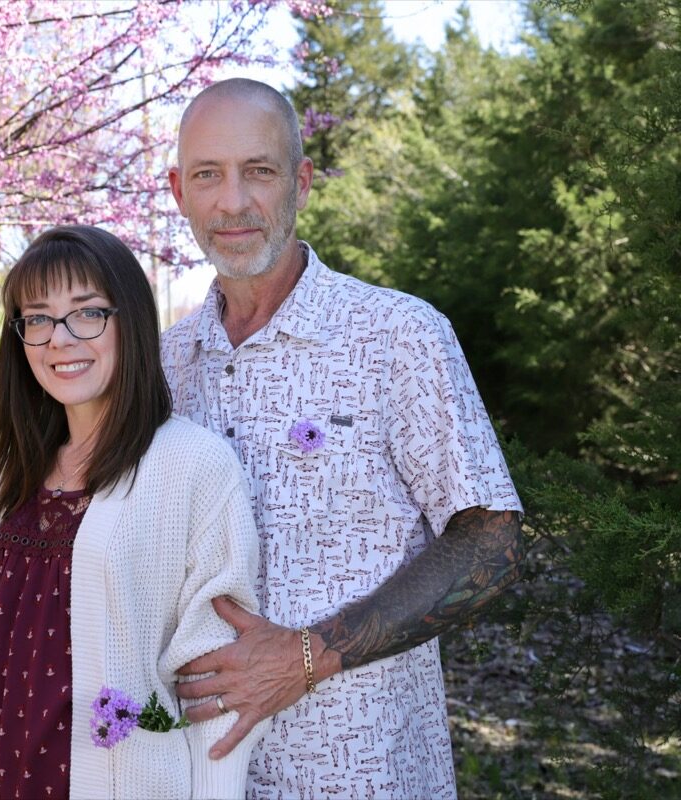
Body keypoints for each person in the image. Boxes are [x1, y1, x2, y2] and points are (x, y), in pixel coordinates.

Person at [159, 78, 526, 799]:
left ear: (300, 181)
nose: (233, 202)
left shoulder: (398, 336)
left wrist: (306, 656)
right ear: (178, 191)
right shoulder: (165, 365)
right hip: (196, 773)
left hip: (365, 775)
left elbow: (491, 540)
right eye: (208, 175)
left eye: (258, 171)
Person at [0, 225, 268, 800]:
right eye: (39, 319)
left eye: (87, 313)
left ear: (130, 321)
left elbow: (215, 680)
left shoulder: (191, 465)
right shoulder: (30, 468)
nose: (60, 339)